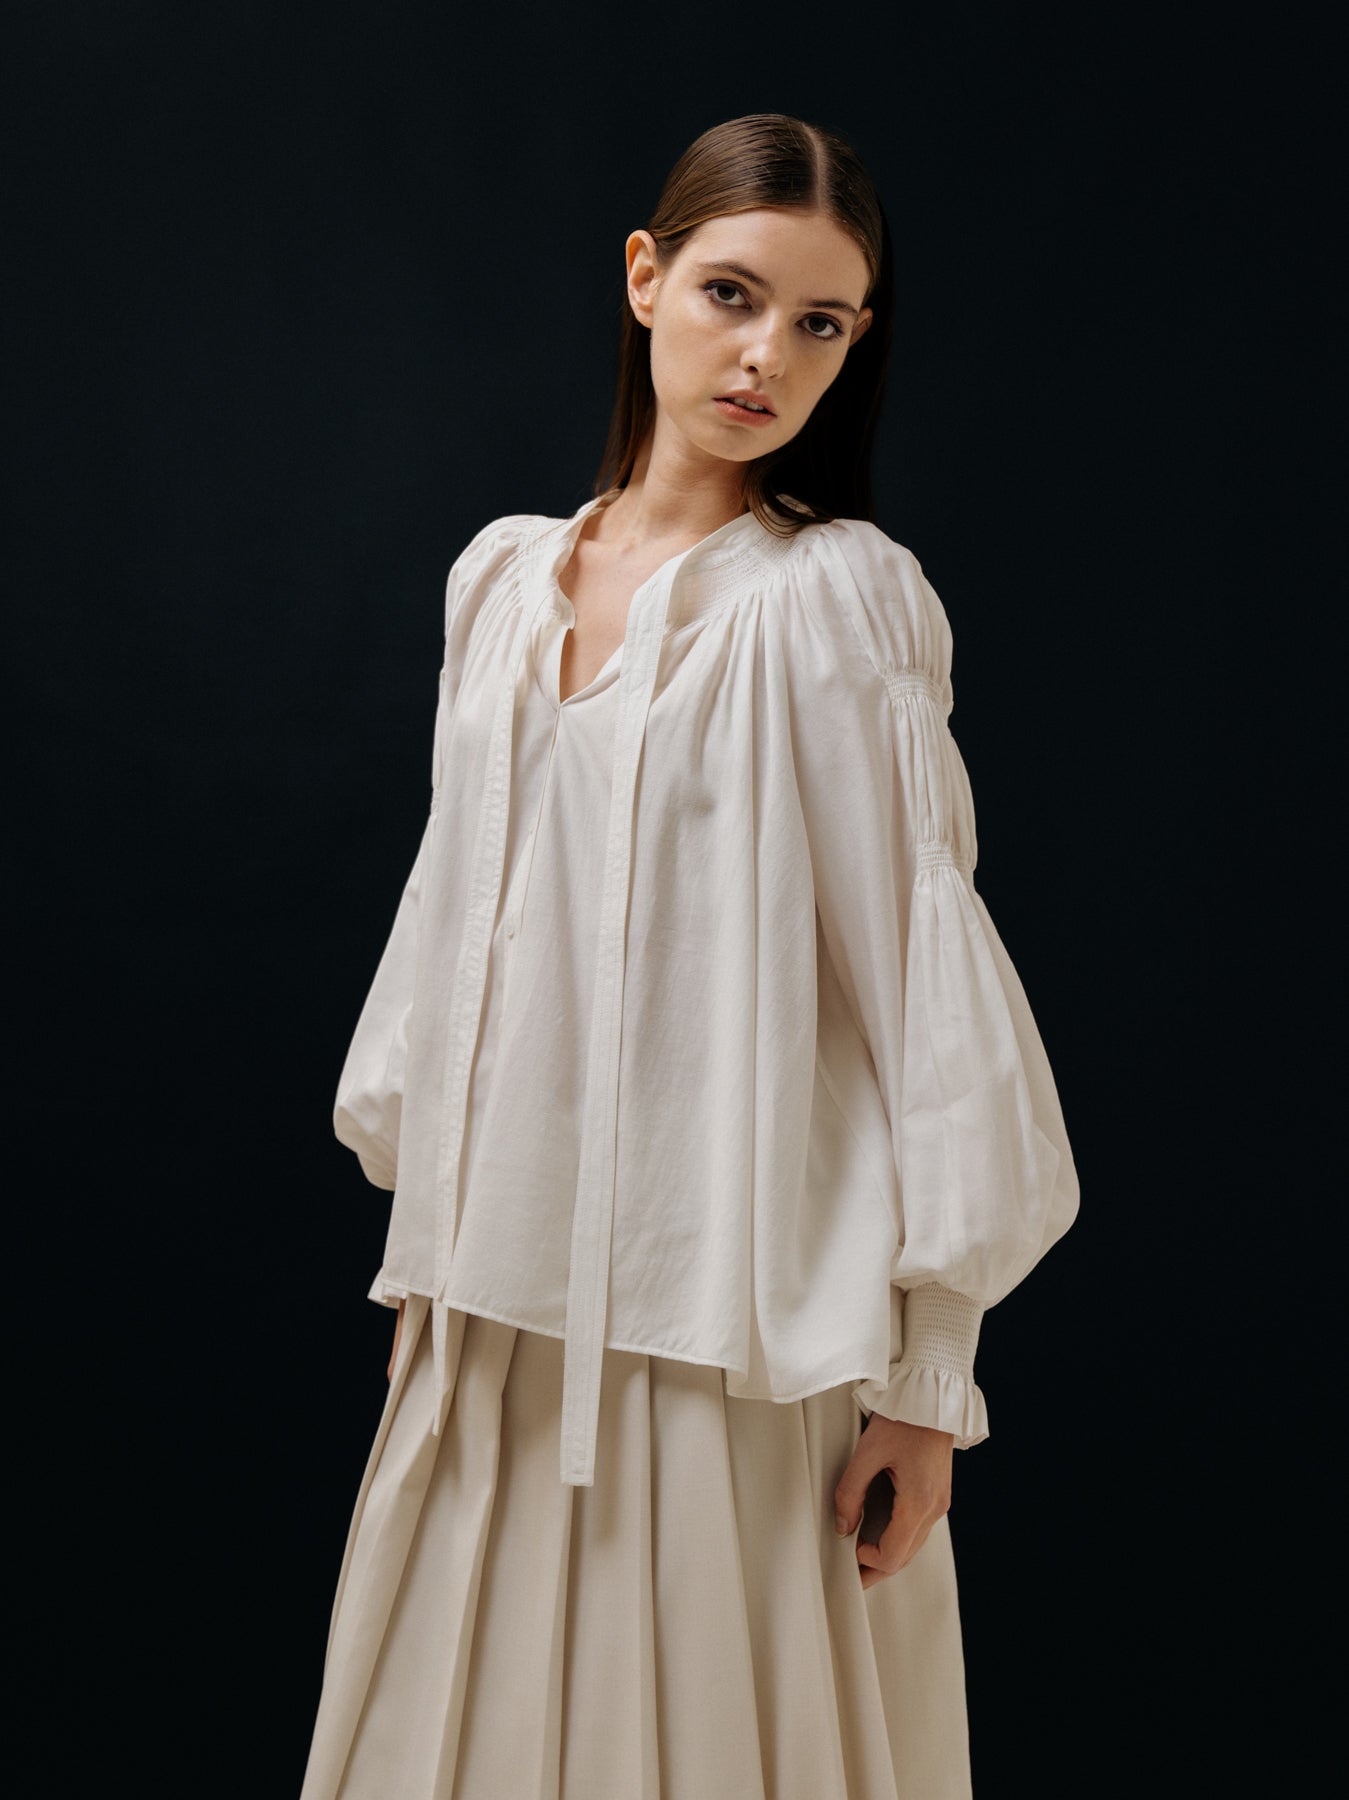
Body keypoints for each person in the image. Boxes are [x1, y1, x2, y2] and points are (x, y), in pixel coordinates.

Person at [299, 111, 1079, 1800]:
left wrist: (929, 1376)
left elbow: (921, 987)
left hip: (731, 1341)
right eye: (732, 294)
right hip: (488, 1331)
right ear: (645, 280)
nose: (765, 355)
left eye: (819, 324)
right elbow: (450, 933)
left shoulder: (833, 602)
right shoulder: (503, 585)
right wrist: (431, 1243)